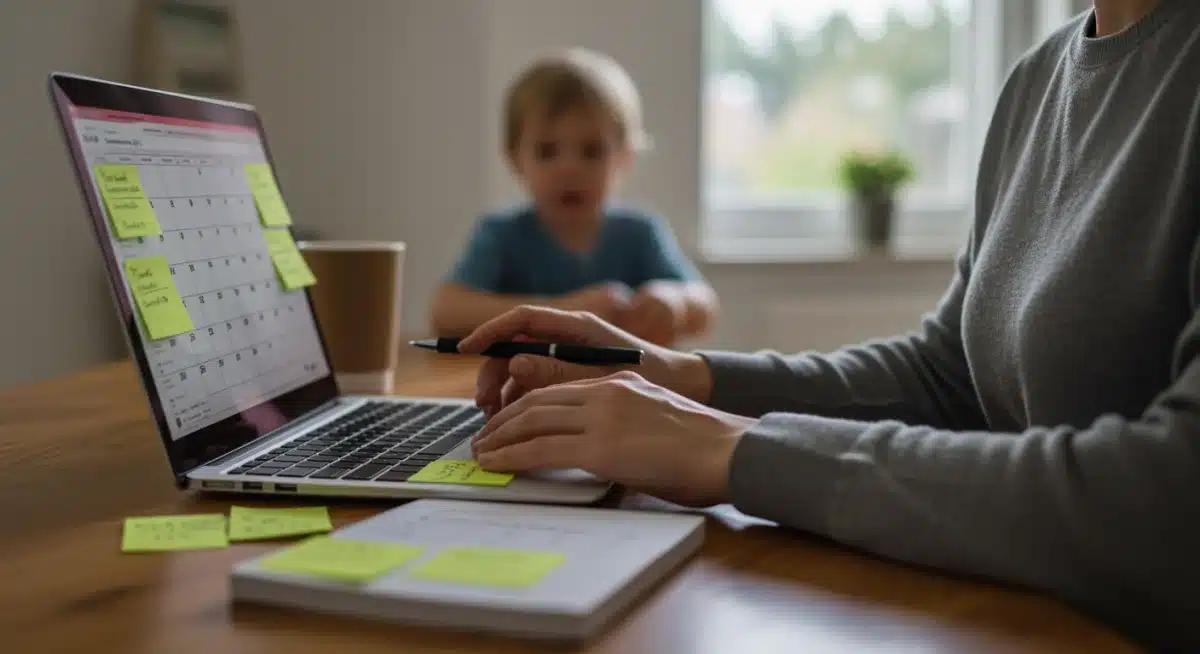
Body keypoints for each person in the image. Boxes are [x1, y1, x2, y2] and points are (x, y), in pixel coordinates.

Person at [460, 2, 1200, 650]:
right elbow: (949, 377)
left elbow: (1171, 499)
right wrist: (679, 375)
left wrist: (729, 446)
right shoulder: (1037, 81)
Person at [430, 48, 717, 347]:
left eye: (591, 151)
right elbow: (444, 312)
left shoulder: (640, 232)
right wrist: (565, 311)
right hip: (521, 385)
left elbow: (706, 306)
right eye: (547, 152)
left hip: (622, 388)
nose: (569, 170)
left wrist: (674, 301)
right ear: (515, 159)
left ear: (624, 158)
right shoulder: (502, 234)